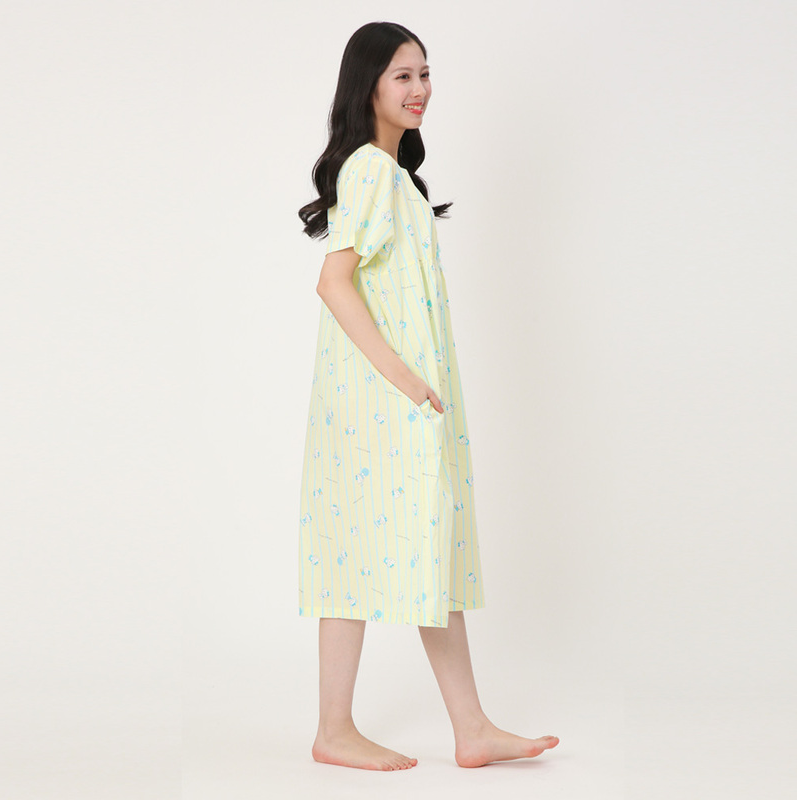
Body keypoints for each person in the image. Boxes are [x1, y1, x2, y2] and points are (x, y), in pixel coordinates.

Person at [297, 21, 559, 771]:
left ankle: (469, 728)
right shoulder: (370, 173)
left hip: (399, 403)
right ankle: (336, 731)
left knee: (421, 546)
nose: (420, 89)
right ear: (368, 87)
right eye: (402, 76)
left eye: (425, 73)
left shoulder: (394, 177)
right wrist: (405, 377)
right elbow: (333, 283)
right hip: (384, 404)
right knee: (363, 550)